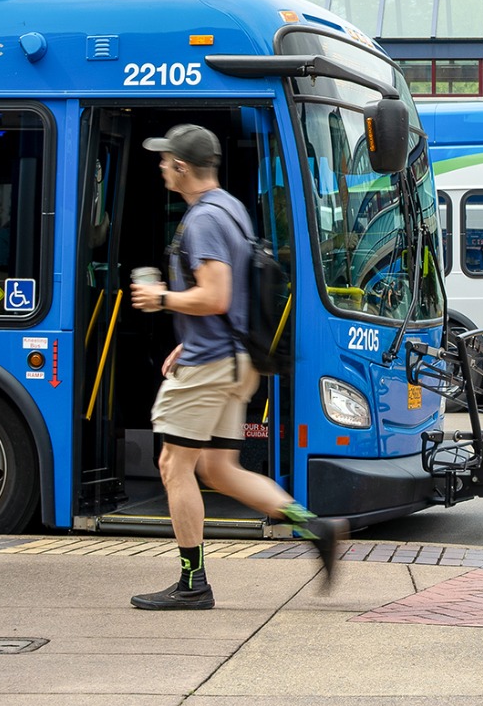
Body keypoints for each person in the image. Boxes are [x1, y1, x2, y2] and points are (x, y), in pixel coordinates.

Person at [128, 123, 345, 610]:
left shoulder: (203, 220)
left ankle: (192, 583)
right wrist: (192, 337)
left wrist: (161, 297)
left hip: (210, 366)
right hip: (234, 359)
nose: (161, 166)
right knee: (219, 469)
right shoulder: (233, 208)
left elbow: (217, 294)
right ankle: (318, 529)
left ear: (182, 167)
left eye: (166, 160)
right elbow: (236, 297)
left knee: (172, 464)